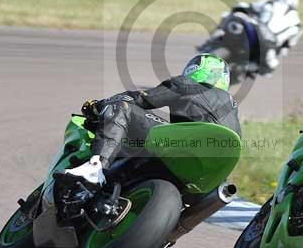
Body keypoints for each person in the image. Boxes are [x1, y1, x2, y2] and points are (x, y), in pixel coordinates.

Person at [60, 53, 241, 186]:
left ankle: (95, 167)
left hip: (186, 144)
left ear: (196, 70)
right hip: (212, 171)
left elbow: (141, 99)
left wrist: (100, 105)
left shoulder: (186, 84)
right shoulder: (232, 106)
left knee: (123, 107)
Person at [231, 0, 303, 74]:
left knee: (233, 20)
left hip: (256, 32)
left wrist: (237, 9)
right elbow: (286, 49)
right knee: (268, 68)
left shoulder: (269, 2)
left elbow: (247, 7)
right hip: (271, 44)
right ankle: (244, 67)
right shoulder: (297, 22)